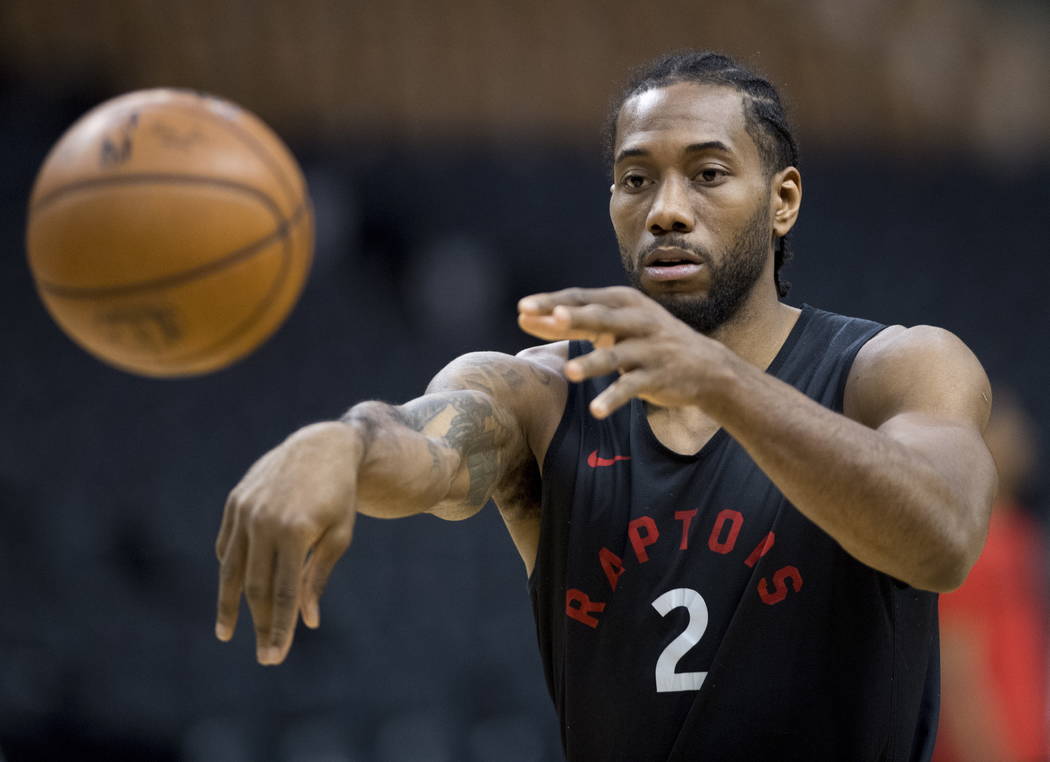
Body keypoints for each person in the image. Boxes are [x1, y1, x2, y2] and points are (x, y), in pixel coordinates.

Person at [213, 51, 996, 761]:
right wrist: (343, 444)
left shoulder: (896, 367)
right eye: (636, 179)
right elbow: (428, 449)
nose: (666, 208)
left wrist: (722, 385)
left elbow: (945, 538)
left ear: (782, 200)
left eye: (709, 173)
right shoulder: (542, 396)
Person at [934, 392, 1048, 762]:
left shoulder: (1019, 532)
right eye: (999, 426)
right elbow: (959, 667)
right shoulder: (970, 540)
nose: (1016, 435)